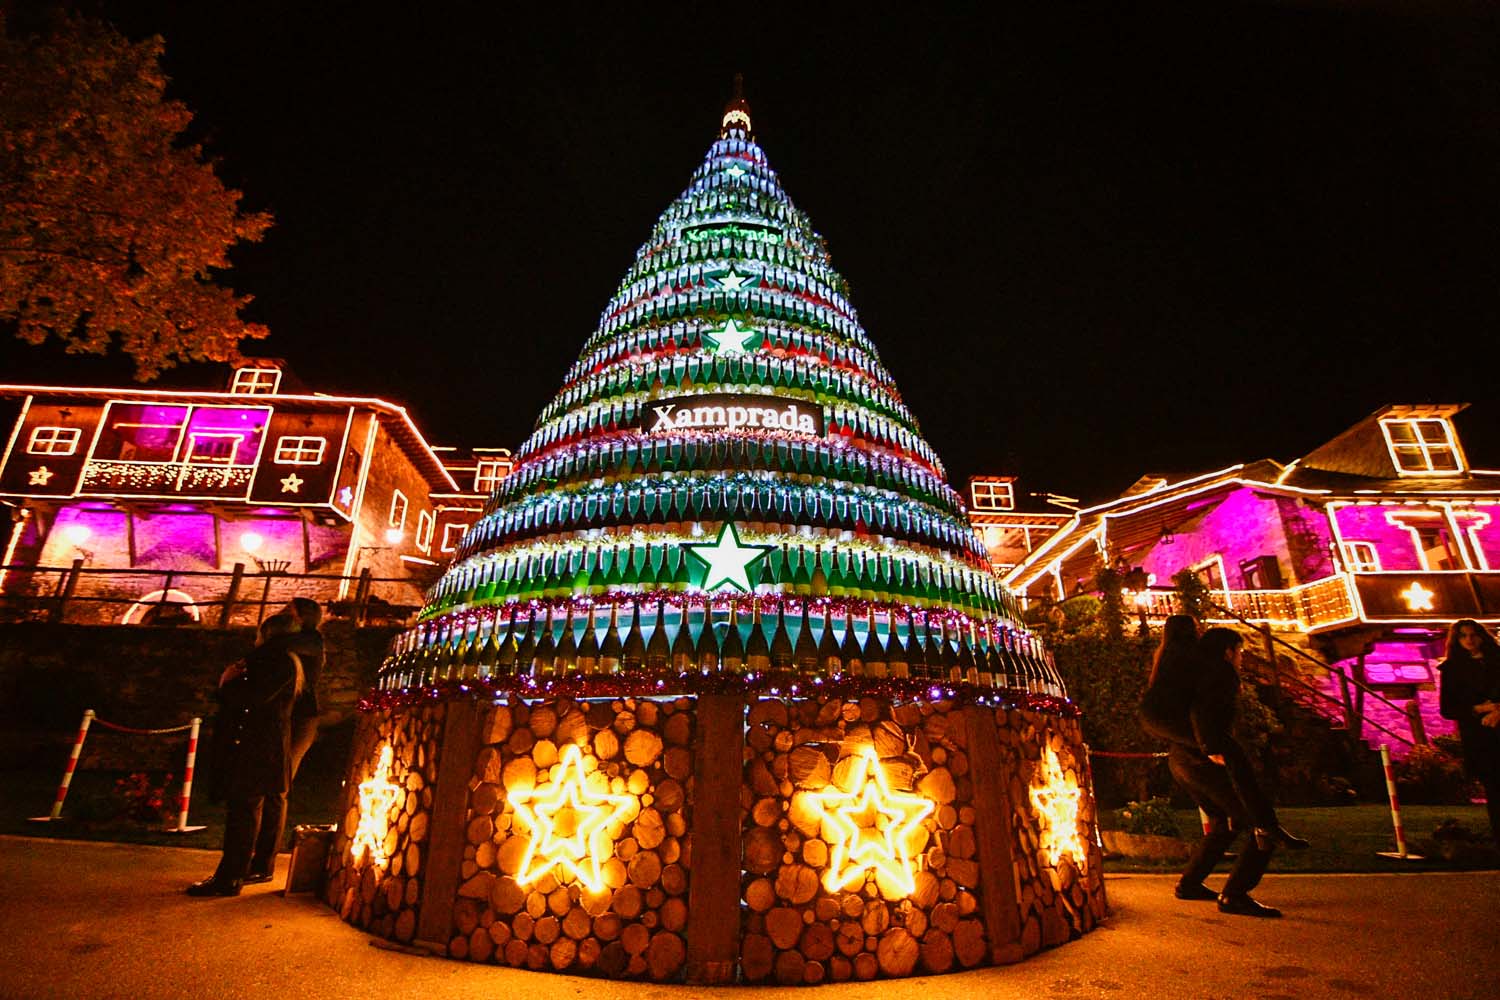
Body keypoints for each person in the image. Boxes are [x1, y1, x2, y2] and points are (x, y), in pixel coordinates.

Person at [1141, 623, 1301, 917]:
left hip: (1181, 760)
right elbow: (1201, 712)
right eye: (1240, 652)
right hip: (1205, 760)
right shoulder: (1218, 671)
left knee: (1223, 820)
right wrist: (1212, 746)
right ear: (1228, 651)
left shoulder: (1178, 672)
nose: (1241, 658)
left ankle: (1190, 884)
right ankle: (1236, 893)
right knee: (1256, 821)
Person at [188, 613, 303, 897]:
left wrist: (226, 683)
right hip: (262, 746)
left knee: (243, 810)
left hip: (255, 746)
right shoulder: (283, 660)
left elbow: (252, 698)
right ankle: (238, 872)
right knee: (247, 808)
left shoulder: (274, 660)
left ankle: (230, 877)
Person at [1438, 619, 1500, 846]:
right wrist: (1480, 709)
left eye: (1473, 634)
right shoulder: (1453, 669)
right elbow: (1448, 708)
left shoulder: (1497, 661)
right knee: (1494, 786)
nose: (1470, 640)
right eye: (1464, 636)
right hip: (1480, 735)